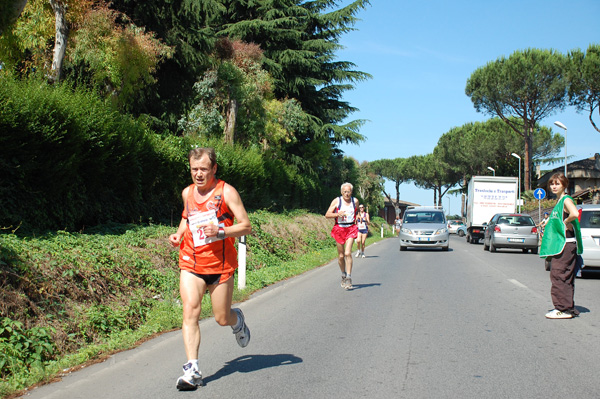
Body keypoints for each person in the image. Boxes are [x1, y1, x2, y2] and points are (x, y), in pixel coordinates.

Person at [169, 147, 252, 390]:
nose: (199, 174)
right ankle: (192, 369)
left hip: (221, 265)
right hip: (191, 263)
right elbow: (187, 218)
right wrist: (178, 234)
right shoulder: (187, 192)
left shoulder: (226, 192)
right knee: (190, 311)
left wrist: (221, 231)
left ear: (214, 169)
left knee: (221, 317)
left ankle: (237, 321)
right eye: (194, 169)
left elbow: (246, 226)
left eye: (204, 169)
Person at [539, 173, 582, 319]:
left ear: (564, 185)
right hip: (563, 245)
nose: (554, 186)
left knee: (559, 276)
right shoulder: (560, 201)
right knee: (563, 276)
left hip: (565, 245)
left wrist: (566, 222)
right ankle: (566, 308)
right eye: (552, 184)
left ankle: (563, 309)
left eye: (557, 183)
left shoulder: (565, 199)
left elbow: (575, 213)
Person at [326, 183, 359, 290]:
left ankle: (349, 278)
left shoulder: (355, 201)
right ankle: (343, 274)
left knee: (347, 253)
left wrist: (357, 217)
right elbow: (327, 214)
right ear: (341, 192)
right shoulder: (337, 201)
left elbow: (356, 211)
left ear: (351, 192)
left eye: (348, 191)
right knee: (341, 256)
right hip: (339, 229)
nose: (346, 194)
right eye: (345, 192)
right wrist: (337, 214)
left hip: (350, 228)